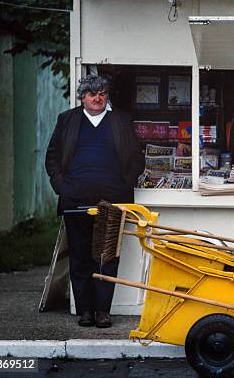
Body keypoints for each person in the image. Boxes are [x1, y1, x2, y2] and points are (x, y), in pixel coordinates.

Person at [45, 75, 144, 328]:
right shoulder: (67, 120)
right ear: (82, 97)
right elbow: (52, 157)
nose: (97, 98)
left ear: (106, 96)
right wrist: (62, 188)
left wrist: (125, 185)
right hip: (75, 201)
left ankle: (103, 312)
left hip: (113, 202)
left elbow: (136, 157)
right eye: (91, 94)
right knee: (80, 257)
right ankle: (85, 311)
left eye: (101, 93)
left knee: (107, 256)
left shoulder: (120, 121)